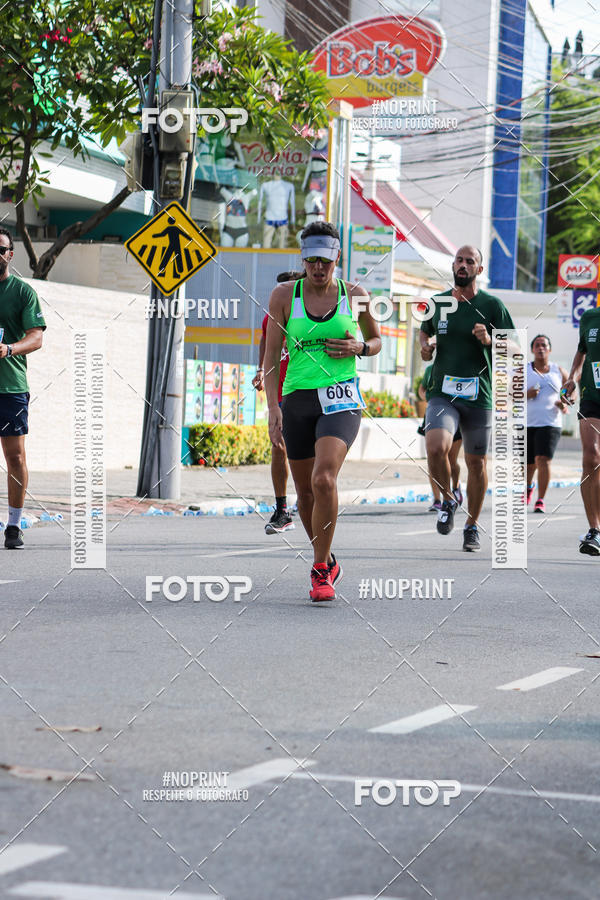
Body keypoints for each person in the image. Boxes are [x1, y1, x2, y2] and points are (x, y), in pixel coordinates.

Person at [264, 222, 381, 601]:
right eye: (311, 260)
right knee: (305, 496)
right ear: (303, 258)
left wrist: (359, 349)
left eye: (325, 261)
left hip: (341, 398)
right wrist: (272, 408)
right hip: (297, 398)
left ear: (337, 258)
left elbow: (377, 340)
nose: (318, 268)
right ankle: (327, 558)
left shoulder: (355, 295)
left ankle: (318, 572)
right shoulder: (284, 295)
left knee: (323, 479)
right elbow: (269, 358)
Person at [420, 245, 515, 552]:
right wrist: (426, 347)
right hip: (442, 392)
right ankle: (448, 499)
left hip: (479, 396)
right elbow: (425, 332)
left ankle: (471, 525)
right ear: (453, 265)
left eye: (469, 261)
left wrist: (491, 340)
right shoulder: (438, 303)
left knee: (476, 463)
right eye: (459, 260)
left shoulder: (493, 305)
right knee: (436, 447)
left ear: (479, 270)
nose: (463, 265)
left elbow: (515, 350)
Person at [0, 228, 46, 549]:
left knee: (14, 457)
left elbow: (37, 337)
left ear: (10, 255)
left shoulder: (23, 292)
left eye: (0, 248)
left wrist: (9, 349)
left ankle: (13, 526)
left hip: (10, 387)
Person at [252, 270, 305, 534]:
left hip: (306, 391)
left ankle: (310, 501)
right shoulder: (270, 317)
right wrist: (260, 370)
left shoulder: (306, 317)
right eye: (278, 288)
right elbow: (265, 342)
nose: (281, 294)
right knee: (278, 447)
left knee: (307, 456)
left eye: (287, 288)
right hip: (280, 394)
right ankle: (282, 510)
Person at [563, 303, 600, 554]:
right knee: (591, 456)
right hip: (592, 396)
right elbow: (581, 352)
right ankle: (595, 530)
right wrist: (572, 378)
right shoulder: (589, 317)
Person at [526, 334, 569, 513]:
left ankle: (540, 500)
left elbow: (570, 392)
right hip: (527, 423)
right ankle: (528, 487)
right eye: (537, 345)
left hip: (550, 422)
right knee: (528, 464)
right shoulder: (524, 370)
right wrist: (526, 394)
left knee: (542, 460)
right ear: (532, 350)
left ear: (549, 350)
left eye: (544, 345)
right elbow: (510, 393)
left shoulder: (558, 370)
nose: (541, 348)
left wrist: (565, 402)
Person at [418, 364, 463, 511]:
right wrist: (430, 398)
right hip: (434, 414)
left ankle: (455, 486)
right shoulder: (430, 369)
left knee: (451, 459)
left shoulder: (460, 366)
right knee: (434, 458)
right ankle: (438, 499)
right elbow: (422, 389)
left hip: (455, 415)